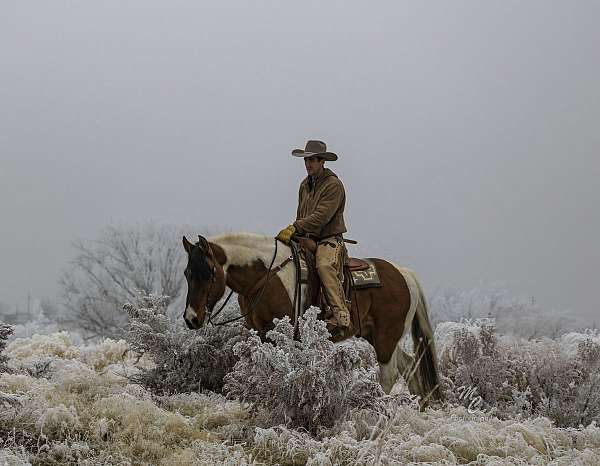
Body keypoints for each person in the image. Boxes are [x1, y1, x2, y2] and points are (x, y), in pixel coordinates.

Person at [276, 140, 352, 337]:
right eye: (306, 160)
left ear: (322, 162)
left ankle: (339, 314)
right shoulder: (304, 185)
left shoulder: (333, 185)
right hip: (307, 237)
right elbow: (302, 213)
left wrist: (296, 226)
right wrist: (295, 233)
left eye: (313, 160)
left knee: (324, 266)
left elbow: (321, 216)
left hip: (329, 239)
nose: (308, 164)